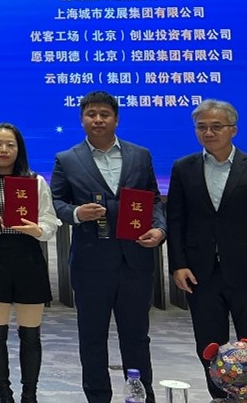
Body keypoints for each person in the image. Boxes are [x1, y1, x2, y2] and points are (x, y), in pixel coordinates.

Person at [50, 90, 165, 403]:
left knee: (137, 337)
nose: (98, 120)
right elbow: (55, 202)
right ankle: (98, 397)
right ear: (82, 119)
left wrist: (159, 228)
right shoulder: (67, 159)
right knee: (92, 338)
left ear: (116, 119)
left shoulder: (140, 155)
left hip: (135, 262)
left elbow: (154, 199)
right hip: (91, 263)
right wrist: (77, 213)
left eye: (104, 114)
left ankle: (141, 396)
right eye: (91, 114)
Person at [0, 123, 59, 403]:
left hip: (29, 258)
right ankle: (4, 394)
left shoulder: (35, 181)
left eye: (10, 145)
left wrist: (38, 230)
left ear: (19, 149)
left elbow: (50, 219)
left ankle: (30, 395)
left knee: (31, 335)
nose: (3, 150)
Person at [166, 99, 245, 400]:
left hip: (244, 269)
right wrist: (178, 264)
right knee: (209, 344)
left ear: (233, 130)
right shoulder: (184, 168)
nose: (208, 133)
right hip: (201, 272)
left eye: (216, 126)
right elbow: (176, 220)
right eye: (202, 127)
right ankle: (219, 396)